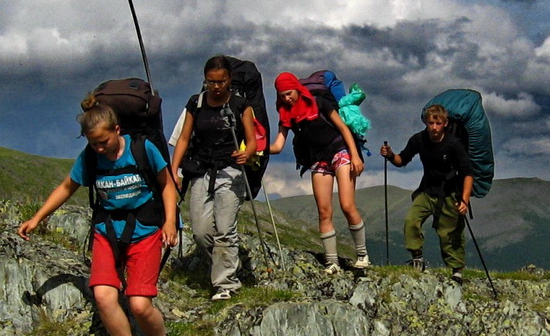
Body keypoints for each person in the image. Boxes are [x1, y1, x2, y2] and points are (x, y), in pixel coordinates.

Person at [18, 98, 180, 336]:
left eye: (103, 142)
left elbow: (167, 184)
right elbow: (68, 186)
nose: (99, 149)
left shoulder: (143, 149)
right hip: (107, 231)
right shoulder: (90, 157)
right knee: (104, 296)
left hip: (146, 230)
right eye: (93, 143)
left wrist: (170, 222)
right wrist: (37, 218)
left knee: (140, 304)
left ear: (117, 130)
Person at [170, 55, 260, 301]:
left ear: (230, 79)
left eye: (221, 82)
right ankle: (230, 265)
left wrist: (246, 153)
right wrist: (174, 170)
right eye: (211, 82)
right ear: (205, 80)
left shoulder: (242, 104)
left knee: (225, 229)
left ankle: (226, 284)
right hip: (201, 170)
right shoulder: (195, 103)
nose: (217, 87)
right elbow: (184, 139)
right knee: (200, 231)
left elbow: (252, 140)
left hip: (230, 172)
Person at [269, 71, 368, 272]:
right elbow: (278, 145)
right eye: (282, 95)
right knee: (324, 211)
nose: (286, 98)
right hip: (317, 157)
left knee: (347, 205)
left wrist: (356, 156)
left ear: (297, 89)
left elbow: (343, 128)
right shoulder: (286, 114)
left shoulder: (319, 102)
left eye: (289, 93)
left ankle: (362, 255)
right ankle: (332, 262)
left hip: (340, 149)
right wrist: (257, 149)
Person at [379, 103, 474, 282]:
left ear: (445, 123)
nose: (434, 127)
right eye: (431, 123)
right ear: (426, 122)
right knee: (411, 221)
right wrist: (390, 155)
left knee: (450, 234)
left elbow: (468, 173)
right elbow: (402, 160)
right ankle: (417, 259)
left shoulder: (454, 144)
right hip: (426, 191)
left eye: (438, 123)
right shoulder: (419, 140)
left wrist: (464, 200)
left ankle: (457, 271)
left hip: (449, 194)